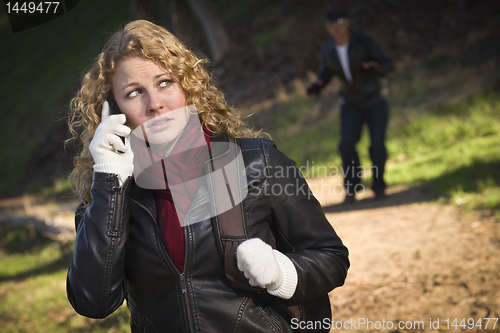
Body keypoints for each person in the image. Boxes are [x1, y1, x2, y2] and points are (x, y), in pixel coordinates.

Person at [66, 20, 349, 332]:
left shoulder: (258, 163)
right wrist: (109, 183)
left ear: (188, 86)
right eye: (134, 93)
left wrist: (283, 273)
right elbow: (94, 302)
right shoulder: (108, 194)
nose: (155, 104)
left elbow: (331, 259)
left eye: (164, 83)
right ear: (113, 110)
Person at [307, 9, 394, 203]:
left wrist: (377, 68)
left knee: (377, 144)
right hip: (351, 102)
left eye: (339, 21)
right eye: (331, 24)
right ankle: (352, 188)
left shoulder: (365, 42)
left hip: (375, 100)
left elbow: (387, 65)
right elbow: (325, 75)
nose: (336, 27)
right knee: (346, 144)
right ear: (327, 28)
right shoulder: (328, 50)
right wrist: (315, 87)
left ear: (347, 22)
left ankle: (379, 187)